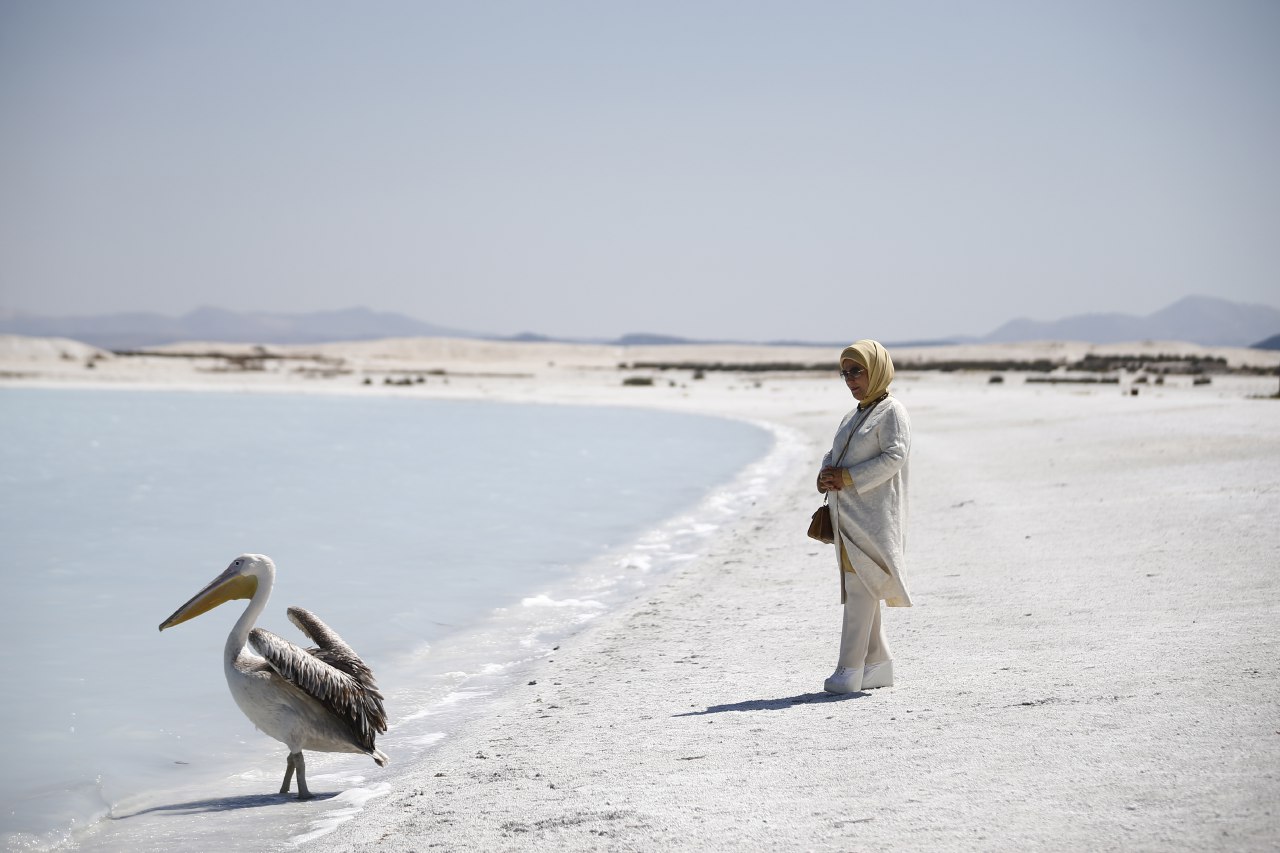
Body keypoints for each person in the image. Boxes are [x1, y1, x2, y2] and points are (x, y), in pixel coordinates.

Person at [816, 339, 913, 694]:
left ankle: (848, 670)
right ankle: (878, 664)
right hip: (847, 517)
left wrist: (848, 478)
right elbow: (835, 451)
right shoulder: (855, 414)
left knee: (860, 588)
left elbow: (895, 457)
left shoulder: (892, 412)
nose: (850, 379)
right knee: (863, 586)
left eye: (857, 371)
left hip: (874, 519)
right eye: (845, 373)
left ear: (877, 370)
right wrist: (826, 473)